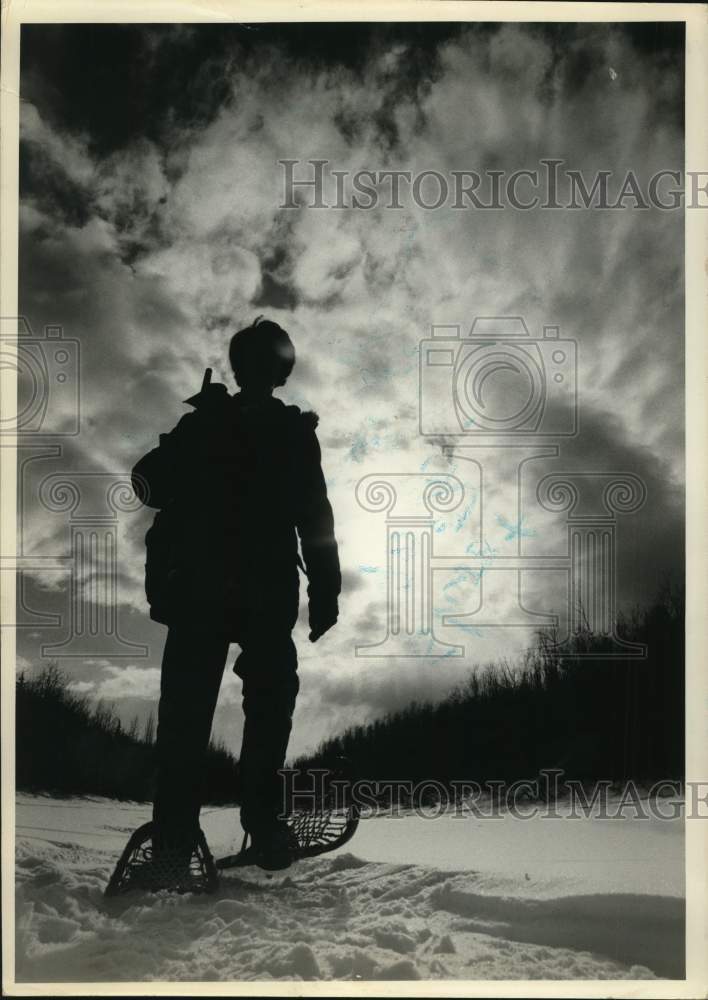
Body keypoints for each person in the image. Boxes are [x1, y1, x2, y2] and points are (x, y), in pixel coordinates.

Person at [131, 317, 341, 872]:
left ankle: (202, 834)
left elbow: (314, 515)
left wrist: (325, 591)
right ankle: (243, 827)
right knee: (246, 709)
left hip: (231, 589)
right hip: (236, 588)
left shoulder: (277, 430)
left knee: (208, 711)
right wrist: (325, 592)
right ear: (274, 371)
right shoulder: (228, 426)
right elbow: (149, 483)